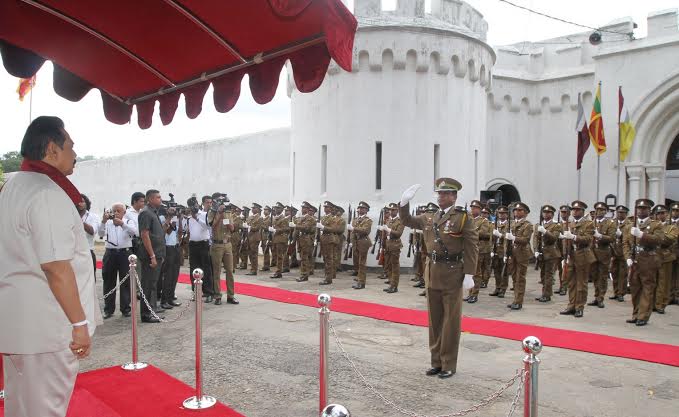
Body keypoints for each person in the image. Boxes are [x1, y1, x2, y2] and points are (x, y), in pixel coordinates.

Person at [0, 116, 99, 417]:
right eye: (70, 146)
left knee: (22, 406)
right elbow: (57, 267)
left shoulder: (14, 184)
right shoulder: (46, 193)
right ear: (53, 150)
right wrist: (79, 325)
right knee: (45, 409)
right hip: (48, 327)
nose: (75, 154)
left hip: (21, 324)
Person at [399, 178, 478, 379]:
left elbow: (471, 246)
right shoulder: (429, 216)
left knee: (451, 322)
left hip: (453, 273)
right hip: (432, 271)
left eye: (445, 194)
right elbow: (407, 221)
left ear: (454, 196)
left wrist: (469, 274)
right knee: (434, 321)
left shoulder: (462, 218)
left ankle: (448, 363)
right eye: (439, 193)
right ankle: (436, 361)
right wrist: (404, 203)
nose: (441, 197)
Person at [623, 199, 664, 326]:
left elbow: (659, 239)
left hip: (648, 259)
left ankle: (643, 316)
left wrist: (642, 235)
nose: (641, 211)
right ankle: (636, 314)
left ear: (649, 210)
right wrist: (627, 257)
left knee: (647, 288)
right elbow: (625, 243)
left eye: (644, 208)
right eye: (639, 209)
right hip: (634, 260)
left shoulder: (656, 225)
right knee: (635, 289)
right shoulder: (630, 225)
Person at [98, 202, 136, 318]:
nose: (115, 213)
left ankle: (125, 308)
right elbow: (100, 233)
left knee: (126, 281)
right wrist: (103, 221)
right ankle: (108, 309)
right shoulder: (108, 222)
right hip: (110, 253)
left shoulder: (128, 221)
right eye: (114, 211)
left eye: (118, 211)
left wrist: (122, 224)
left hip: (125, 253)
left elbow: (135, 232)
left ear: (124, 212)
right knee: (109, 280)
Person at [559, 200, 595, 318]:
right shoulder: (569, 223)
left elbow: (588, 239)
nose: (575, 211)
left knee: (581, 284)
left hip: (583, 255)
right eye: (573, 209)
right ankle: (571, 305)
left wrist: (574, 237)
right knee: (571, 283)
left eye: (577, 210)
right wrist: (565, 256)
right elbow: (565, 241)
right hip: (571, 256)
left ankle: (579, 307)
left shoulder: (588, 224)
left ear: (582, 211)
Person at [137, 189, 167, 323]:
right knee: (148, 285)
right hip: (151, 256)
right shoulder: (146, 213)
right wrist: (153, 256)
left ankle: (151, 310)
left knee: (153, 284)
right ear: (150, 199)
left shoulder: (153, 212)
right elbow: (144, 234)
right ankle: (146, 314)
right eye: (158, 197)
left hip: (158, 253)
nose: (161, 199)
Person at [207, 200, 239, 305]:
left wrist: (225, 216)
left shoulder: (229, 213)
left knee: (230, 270)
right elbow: (212, 226)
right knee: (216, 271)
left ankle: (231, 296)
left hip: (227, 245)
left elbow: (232, 228)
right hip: (217, 245)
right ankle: (217, 296)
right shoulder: (211, 213)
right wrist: (219, 214)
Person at [505, 202, 532, 310]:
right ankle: (515, 299)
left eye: (520, 210)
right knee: (514, 278)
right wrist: (505, 253)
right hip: (512, 254)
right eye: (515, 210)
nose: (516, 212)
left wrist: (514, 238)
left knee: (520, 278)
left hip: (522, 254)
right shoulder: (510, 223)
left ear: (525, 213)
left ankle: (518, 301)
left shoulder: (527, 225)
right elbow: (506, 240)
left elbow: (525, 240)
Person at [588, 202, 616, 309]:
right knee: (595, 276)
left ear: (605, 211)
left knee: (603, 276)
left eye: (602, 210)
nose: (599, 212)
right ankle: (596, 296)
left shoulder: (610, 223)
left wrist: (600, 236)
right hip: (592, 252)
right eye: (597, 210)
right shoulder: (591, 223)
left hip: (604, 252)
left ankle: (601, 298)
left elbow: (612, 238)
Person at [533, 205, 562, 302]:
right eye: (544, 212)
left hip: (551, 253)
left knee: (548, 275)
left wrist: (545, 231)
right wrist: (536, 250)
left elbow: (554, 238)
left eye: (548, 212)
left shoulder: (556, 225)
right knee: (543, 275)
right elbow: (535, 238)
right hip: (541, 253)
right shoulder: (538, 225)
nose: (546, 214)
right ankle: (544, 292)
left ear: (552, 214)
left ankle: (547, 294)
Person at [188, 196, 214, 302]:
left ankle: (208, 292)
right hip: (192, 245)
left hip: (203, 244)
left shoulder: (204, 214)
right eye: (191, 206)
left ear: (198, 205)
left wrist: (197, 219)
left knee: (206, 269)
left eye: (194, 205)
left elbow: (208, 227)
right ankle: (196, 292)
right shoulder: (189, 217)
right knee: (193, 269)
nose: (193, 207)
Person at [654, 205, 678, 314]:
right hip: (653, 257)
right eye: (658, 213)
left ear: (667, 214)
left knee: (664, 282)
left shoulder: (672, 227)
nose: (660, 215)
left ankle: (661, 304)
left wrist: (655, 237)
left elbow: (670, 240)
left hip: (666, 257)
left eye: (663, 213)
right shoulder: (652, 225)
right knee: (653, 282)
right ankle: (653, 303)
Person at [467, 200, 491, 303]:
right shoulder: (468, 220)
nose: (473, 209)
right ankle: (469, 293)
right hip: (468, 249)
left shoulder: (483, 221)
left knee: (476, 273)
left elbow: (483, 233)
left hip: (478, 249)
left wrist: (471, 231)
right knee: (469, 272)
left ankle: (474, 294)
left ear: (480, 210)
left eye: (475, 208)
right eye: (472, 207)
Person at [158, 206, 182, 310]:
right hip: (167, 248)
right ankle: (164, 301)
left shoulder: (175, 218)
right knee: (167, 276)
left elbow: (179, 233)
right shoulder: (162, 218)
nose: (173, 211)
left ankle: (170, 297)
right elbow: (164, 232)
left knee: (174, 274)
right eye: (171, 209)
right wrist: (169, 218)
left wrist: (179, 218)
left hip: (176, 247)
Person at [382, 202, 405, 293]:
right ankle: (391, 283)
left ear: (397, 211)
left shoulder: (400, 221)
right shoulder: (388, 220)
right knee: (388, 265)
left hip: (395, 245)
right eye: (390, 210)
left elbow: (399, 233)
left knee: (395, 266)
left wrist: (389, 230)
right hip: (388, 245)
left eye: (393, 210)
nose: (391, 211)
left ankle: (394, 286)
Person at [350, 201, 373, 289]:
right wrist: (351, 242)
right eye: (359, 208)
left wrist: (354, 228)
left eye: (363, 208)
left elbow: (365, 231)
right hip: (356, 242)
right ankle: (360, 278)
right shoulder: (355, 219)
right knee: (357, 262)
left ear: (366, 210)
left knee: (362, 263)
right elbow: (353, 233)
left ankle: (361, 282)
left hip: (363, 242)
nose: (360, 210)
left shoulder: (368, 220)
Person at [610, 205, 630, 302]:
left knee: (622, 274)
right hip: (614, 251)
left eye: (622, 213)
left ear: (626, 214)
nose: (620, 214)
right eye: (618, 212)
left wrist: (621, 235)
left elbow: (629, 238)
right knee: (614, 272)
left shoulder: (629, 224)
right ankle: (616, 291)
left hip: (623, 252)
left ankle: (621, 293)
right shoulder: (613, 223)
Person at [489, 206, 510, 298]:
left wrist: (500, 235)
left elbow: (509, 237)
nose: (501, 215)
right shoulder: (494, 224)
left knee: (504, 271)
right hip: (495, 249)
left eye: (503, 213)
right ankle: (497, 287)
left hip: (503, 249)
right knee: (496, 270)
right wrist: (491, 249)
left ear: (507, 214)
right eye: (500, 213)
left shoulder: (509, 224)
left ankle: (503, 289)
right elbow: (491, 238)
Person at [78, 193, 100, 280]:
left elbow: (92, 231)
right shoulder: (69, 215)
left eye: (82, 201)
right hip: (72, 252)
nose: (80, 203)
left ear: (87, 203)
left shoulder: (93, 216)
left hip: (88, 251)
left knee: (89, 279)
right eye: (78, 202)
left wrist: (78, 220)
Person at [295, 202, 318, 282]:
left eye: (304, 208)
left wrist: (296, 226)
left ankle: (304, 275)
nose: (302, 209)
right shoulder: (301, 218)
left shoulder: (310, 219)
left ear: (308, 209)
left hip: (306, 239)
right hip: (301, 239)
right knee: (302, 257)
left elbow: (306, 228)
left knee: (305, 257)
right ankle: (303, 273)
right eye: (302, 208)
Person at [269, 202, 290, 279]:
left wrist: (276, 230)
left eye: (278, 208)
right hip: (275, 239)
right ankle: (278, 271)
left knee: (279, 256)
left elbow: (287, 229)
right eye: (275, 208)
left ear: (281, 209)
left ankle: (278, 272)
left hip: (281, 239)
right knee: (276, 256)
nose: (276, 209)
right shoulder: (275, 218)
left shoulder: (284, 218)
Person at [245, 203, 265, 275]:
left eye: (255, 208)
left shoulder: (260, 218)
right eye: (252, 208)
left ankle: (254, 270)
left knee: (254, 254)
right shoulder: (250, 217)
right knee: (250, 253)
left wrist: (249, 227)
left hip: (255, 237)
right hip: (249, 237)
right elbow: (247, 223)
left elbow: (257, 228)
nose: (253, 209)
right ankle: (252, 268)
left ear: (258, 210)